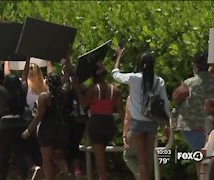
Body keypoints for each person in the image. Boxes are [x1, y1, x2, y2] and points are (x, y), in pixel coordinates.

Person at [112, 48, 170, 180]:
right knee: (148, 160)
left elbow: (115, 75)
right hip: (152, 123)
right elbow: (165, 103)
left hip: (137, 124)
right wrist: (168, 123)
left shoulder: (134, 78)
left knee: (142, 161)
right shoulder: (159, 81)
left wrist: (119, 58)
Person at [74, 61, 124, 180]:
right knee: (104, 154)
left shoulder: (93, 89)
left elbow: (83, 104)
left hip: (96, 123)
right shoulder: (115, 90)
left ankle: (103, 177)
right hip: (109, 123)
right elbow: (122, 112)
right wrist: (125, 130)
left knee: (99, 159)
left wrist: (77, 90)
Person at [172, 50, 214, 180]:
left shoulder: (190, 83)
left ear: (195, 65)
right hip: (211, 128)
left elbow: (176, 96)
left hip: (192, 128)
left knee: (200, 160)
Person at [22, 72, 70, 180]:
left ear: (48, 82)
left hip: (47, 129)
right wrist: (67, 58)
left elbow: (39, 116)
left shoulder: (44, 96)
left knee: (46, 159)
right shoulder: (64, 94)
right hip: (61, 128)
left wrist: (28, 131)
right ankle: (66, 171)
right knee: (58, 155)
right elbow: (66, 81)